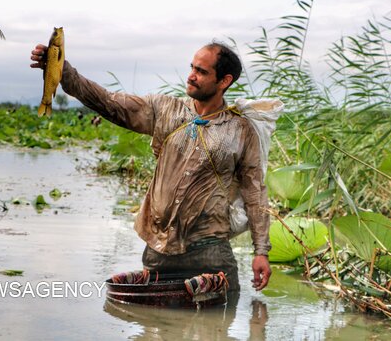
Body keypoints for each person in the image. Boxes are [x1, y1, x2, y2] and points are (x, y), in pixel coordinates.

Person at [30, 41, 271, 291]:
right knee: (153, 325)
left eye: (201, 71)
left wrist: (261, 251)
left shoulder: (240, 131)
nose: (191, 76)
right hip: (159, 250)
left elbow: (255, 193)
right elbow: (108, 102)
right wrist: (62, 70)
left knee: (220, 324)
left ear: (224, 81)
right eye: (192, 68)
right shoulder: (165, 110)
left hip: (210, 252)